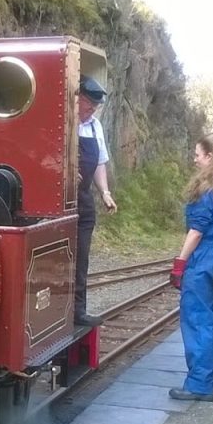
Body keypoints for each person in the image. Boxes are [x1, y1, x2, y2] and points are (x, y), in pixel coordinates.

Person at [168, 135, 213, 402]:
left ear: (210, 157)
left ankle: (199, 384)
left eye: (197, 154)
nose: (194, 158)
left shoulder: (206, 189)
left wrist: (180, 262)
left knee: (197, 320)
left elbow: (196, 231)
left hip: (203, 257)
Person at [73, 75, 118, 327]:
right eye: (89, 104)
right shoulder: (63, 120)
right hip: (59, 200)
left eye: (95, 106)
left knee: (82, 259)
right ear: (77, 98)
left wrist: (105, 192)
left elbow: (100, 161)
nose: (92, 109)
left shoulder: (94, 126)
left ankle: (78, 311)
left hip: (84, 198)